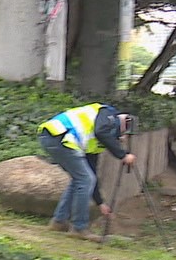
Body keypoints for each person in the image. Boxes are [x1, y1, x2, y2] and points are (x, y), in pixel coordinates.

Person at [38, 103, 136, 241]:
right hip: (59, 136)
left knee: (80, 180)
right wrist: (122, 155)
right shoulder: (107, 114)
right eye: (122, 135)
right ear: (123, 123)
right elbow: (101, 132)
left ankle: (59, 222)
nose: (122, 139)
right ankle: (78, 228)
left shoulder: (95, 141)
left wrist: (100, 202)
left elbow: (92, 172)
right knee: (84, 180)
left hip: (54, 137)